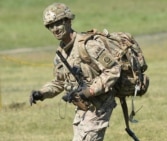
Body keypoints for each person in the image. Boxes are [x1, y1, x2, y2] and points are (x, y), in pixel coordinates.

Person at [30, 3, 120, 141]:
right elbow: (59, 82)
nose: (55, 29)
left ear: (68, 21)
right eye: (50, 26)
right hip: (83, 108)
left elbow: (113, 69)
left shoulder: (88, 45)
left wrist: (90, 91)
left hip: (100, 105)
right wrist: (41, 93)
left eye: (58, 23)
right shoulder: (60, 54)